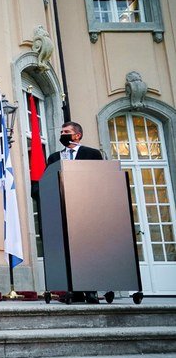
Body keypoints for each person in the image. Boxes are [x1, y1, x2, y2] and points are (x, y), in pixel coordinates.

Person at [46, 121, 103, 304]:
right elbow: (48, 180)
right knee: (68, 251)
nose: (63, 134)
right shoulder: (55, 157)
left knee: (88, 251)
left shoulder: (92, 154)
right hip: (63, 210)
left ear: (77, 135)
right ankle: (73, 291)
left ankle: (91, 290)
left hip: (86, 210)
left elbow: (99, 180)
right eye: (62, 131)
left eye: (67, 131)